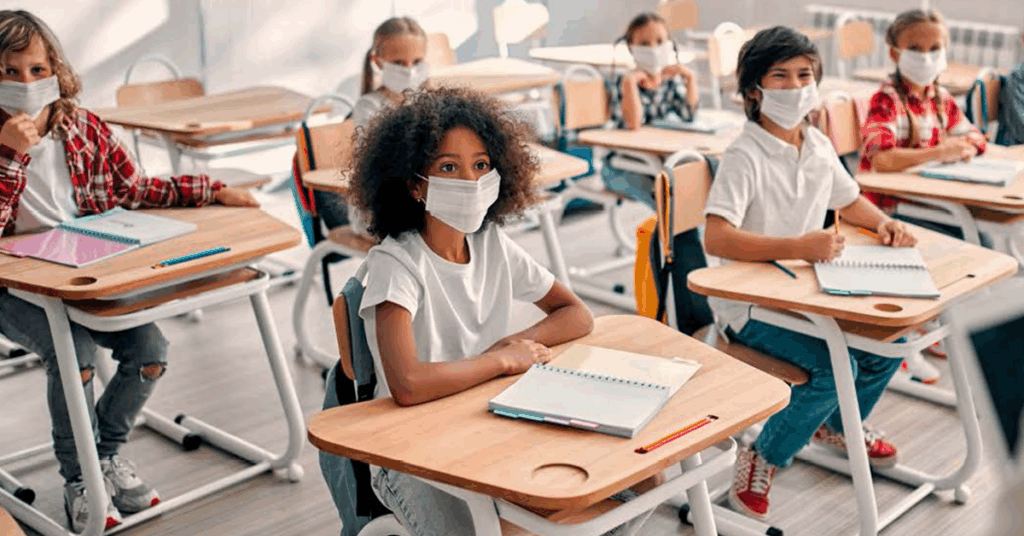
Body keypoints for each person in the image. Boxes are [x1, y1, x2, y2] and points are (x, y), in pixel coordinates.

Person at [343, 85, 658, 536]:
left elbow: (576, 314)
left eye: (481, 165)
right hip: (408, 452)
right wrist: (500, 361)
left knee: (647, 478)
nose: (470, 182)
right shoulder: (396, 264)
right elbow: (408, 385)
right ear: (414, 184)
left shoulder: (490, 243)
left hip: (482, 420)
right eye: (448, 168)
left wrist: (512, 344)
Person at [0, 9, 258, 531]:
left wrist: (210, 190)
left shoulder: (83, 126)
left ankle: (105, 453)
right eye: (9, 72)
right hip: (14, 287)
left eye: (36, 69)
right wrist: (11, 155)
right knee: (76, 353)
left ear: (55, 70)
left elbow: (134, 189)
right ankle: (81, 479)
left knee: (150, 352)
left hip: (81, 273)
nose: (26, 83)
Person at [702, 26, 916, 521]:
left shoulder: (816, 142)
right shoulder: (744, 153)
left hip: (806, 295)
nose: (796, 86)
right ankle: (764, 454)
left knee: (886, 345)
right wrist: (798, 246)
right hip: (748, 305)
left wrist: (884, 223)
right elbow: (716, 238)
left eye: (805, 75)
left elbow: (849, 200)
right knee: (825, 369)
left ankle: (837, 424)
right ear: (754, 89)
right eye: (781, 76)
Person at [859, 8, 988, 381]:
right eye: (916, 47)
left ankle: (930, 326)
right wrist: (940, 151)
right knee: (952, 241)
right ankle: (908, 337)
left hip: (929, 199)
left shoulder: (940, 98)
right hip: (889, 208)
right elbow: (881, 159)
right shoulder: (885, 100)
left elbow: (975, 135)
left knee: (976, 239)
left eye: (936, 47)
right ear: (895, 53)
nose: (927, 55)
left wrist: (965, 146)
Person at [313, 16, 429, 233]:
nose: (410, 70)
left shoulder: (428, 102)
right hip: (378, 210)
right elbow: (379, 170)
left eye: (417, 62)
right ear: (377, 61)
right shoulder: (368, 108)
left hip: (420, 200)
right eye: (398, 63)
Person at [602, 11, 699, 210]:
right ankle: (676, 240)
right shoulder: (622, 82)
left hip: (656, 165)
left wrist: (690, 79)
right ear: (631, 48)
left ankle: (684, 239)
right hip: (621, 167)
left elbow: (689, 115)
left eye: (660, 41)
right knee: (668, 204)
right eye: (644, 44)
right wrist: (630, 83)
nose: (654, 49)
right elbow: (633, 124)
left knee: (693, 189)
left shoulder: (669, 82)